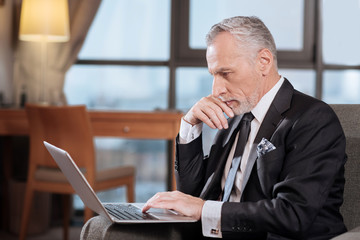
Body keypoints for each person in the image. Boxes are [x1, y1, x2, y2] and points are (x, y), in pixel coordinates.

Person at [81, 16, 347, 240]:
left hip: (265, 234)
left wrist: (202, 209)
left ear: (263, 62)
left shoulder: (313, 119)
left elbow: (293, 215)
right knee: (101, 227)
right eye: (213, 75)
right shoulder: (235, 112)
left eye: (226, 73)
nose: (216, 90)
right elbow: (194, 193)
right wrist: (189, 128)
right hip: (214, 231)